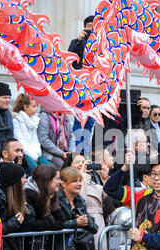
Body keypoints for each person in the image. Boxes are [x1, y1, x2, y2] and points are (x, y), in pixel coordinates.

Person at [56, 167, 98, 250]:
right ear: (63, 183)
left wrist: (84, 222)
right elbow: (55, 224)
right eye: (74, 181)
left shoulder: (79, 201)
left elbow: (94, 226)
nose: (79, 184)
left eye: (80, 180)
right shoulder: (55, 201)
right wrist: (75, 222)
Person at [24, 165, 64, 250]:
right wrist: (49, 222)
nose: (60, 182)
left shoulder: (50, 196)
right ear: (46, 180)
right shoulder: (29, 195)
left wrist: (52, 200)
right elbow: (30, 225)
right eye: (57, 179)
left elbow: (59, 223)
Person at [68, 15, 96, 155]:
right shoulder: (77, 42)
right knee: (79, 120)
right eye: (88, 26)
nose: (90, 29)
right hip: (80, 88)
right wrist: (80, 40)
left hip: (94, 88)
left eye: (93, 26)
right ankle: (78, 152)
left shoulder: (99, 43)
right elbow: (70, 57)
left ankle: (85, 151)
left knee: (90, 123)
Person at [12, 93, 51, 170]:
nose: (36, 109)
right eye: (33, 106)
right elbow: (20, 141)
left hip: (35, 153)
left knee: (51, 168)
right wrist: (33, 155)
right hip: (24, 154)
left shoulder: (34, 120)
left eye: (36, 106)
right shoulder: (17, 120)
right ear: (25, 107)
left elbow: (35, 140)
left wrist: (36, 154)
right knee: (36, 170)